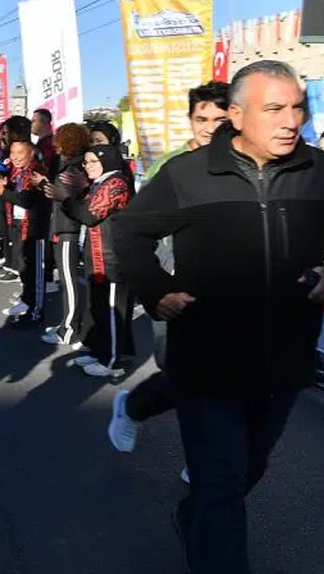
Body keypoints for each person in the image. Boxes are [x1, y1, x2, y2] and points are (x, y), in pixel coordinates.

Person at [112, 60, 324, 574]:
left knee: (244, 473)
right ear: (238, 116)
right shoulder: (187, 174)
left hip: (285, 361)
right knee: (221, 482)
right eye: (274, 109)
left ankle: (194, 516)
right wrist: (156, 289)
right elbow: (128, 232)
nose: (290, 121)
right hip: (207, 361)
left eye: (297, 108)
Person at [109, 81, 230, 458]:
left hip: (228, 285)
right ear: (190, 120)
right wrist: (156, 285)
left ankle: (206, 464)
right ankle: (134, 407)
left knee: (221, 376)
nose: (210, 128)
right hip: (175, 279)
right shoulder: (172, 166)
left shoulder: (247, 164)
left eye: (220, 119)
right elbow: (134, 230)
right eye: (202, 119)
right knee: (181, 372)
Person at [61, 145, 135, 378]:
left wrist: (65, 198)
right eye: (86, 162)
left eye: (93, 161)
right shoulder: (101, 182)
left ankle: (112, 362)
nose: (88, 166)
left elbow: (89, 215)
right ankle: (102, 351)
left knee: (112, 311)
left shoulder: (115, 183)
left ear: (107, 160)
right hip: (98, 256)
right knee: (100, 309)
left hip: (112, 259)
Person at [0, 140, 50, 327]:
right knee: (24, 270)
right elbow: (8, 190)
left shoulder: (37, 171)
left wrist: (3, 192)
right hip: (18, 225)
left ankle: (36, 313)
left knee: (35, 273)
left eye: (20, 152)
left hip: (34, 229)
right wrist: (2, 187)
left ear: (31, 154)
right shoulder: (16, 171)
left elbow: (27, 199)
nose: (15, 157)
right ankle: (28, 304)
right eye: (13, 152)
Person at [41, 123, 91, 347]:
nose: (55, 144)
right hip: (65, 227)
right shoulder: (72, 165)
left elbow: (70, 200)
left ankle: (69, 329)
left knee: (69, 283)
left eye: (59, 140)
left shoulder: (73, 168)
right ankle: (69, 324)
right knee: (68, 281)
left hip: (69, 229)